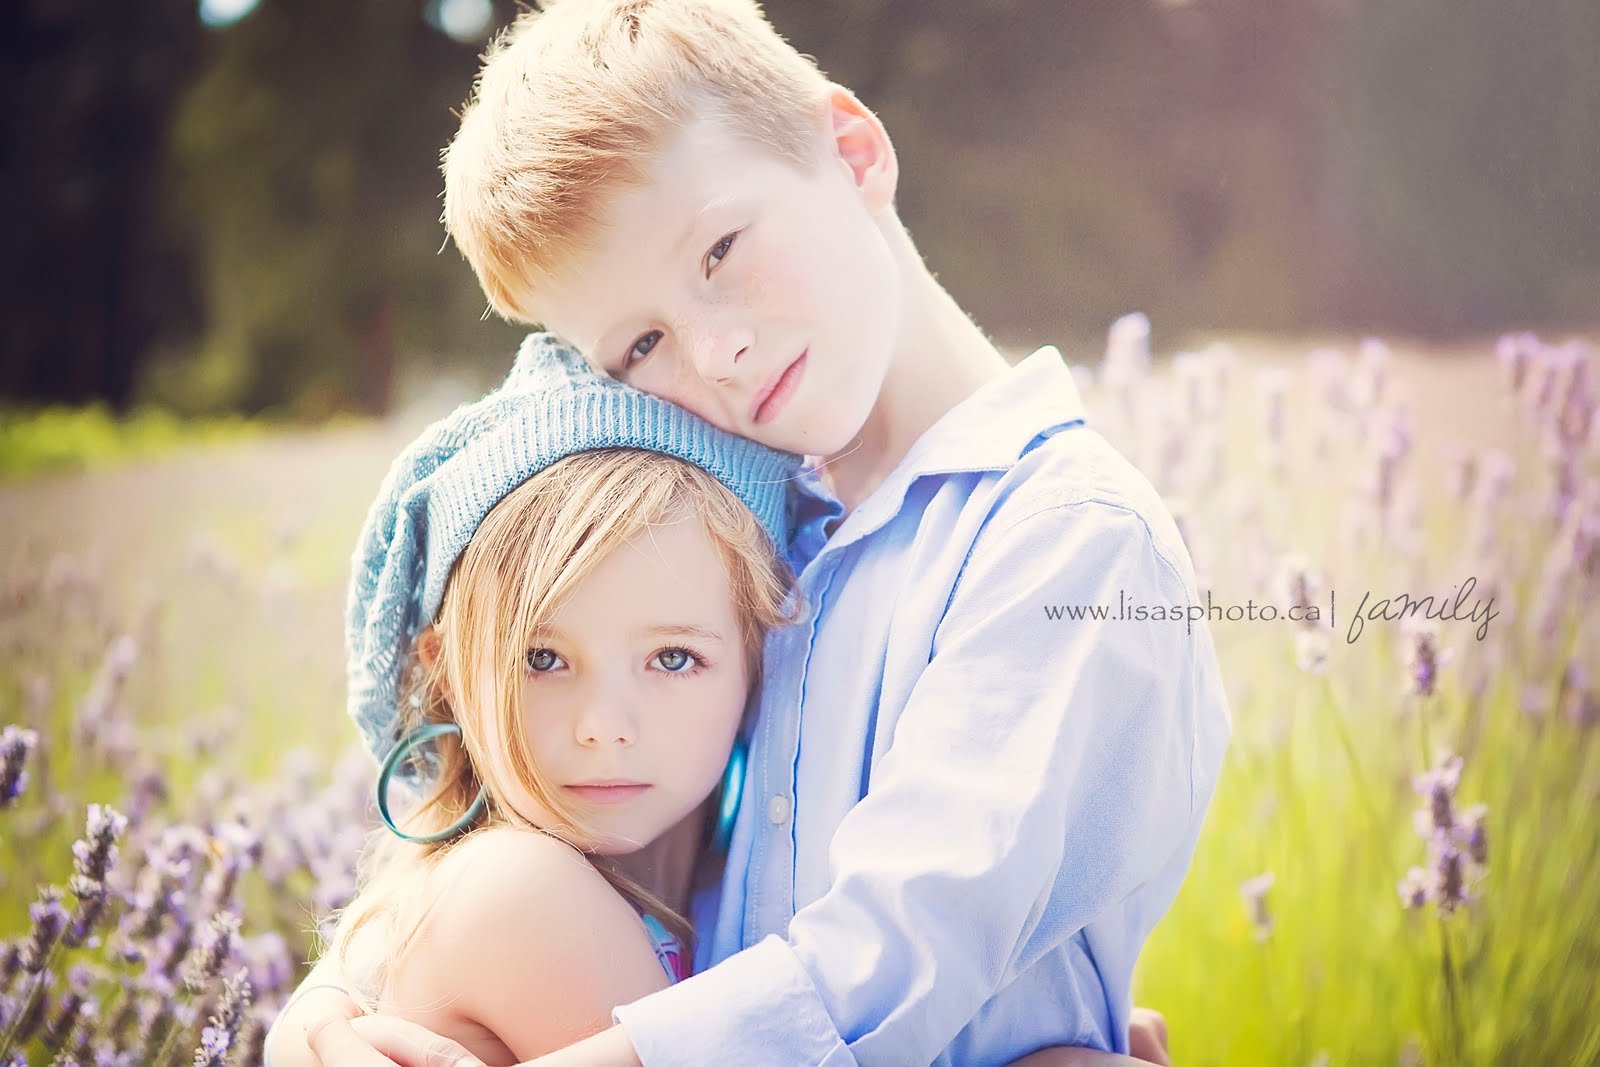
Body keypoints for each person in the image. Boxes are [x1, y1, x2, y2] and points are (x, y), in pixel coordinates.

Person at [278, 0, 1233, 1062]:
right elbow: (539, 812)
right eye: (641, 344)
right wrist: (325, 1007)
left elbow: (888, 955)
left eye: (721, 248)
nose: (715, 352)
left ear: (854, 149)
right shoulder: (749, 533)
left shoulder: (1065, 541)